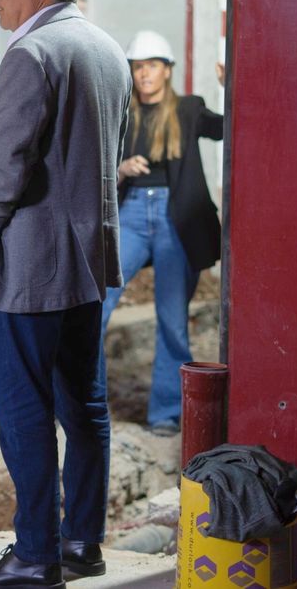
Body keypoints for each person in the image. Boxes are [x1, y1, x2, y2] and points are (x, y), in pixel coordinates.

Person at [0, 0, 130, 587]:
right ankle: (82, 542)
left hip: (30, 267)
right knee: (83, 404)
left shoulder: (31, 55)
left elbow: (6, 169)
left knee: (23, 409)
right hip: (87, 264)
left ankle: (34, 555)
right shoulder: (106, 50)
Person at [100, 29, 224, 437]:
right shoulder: (120, 113)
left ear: (167, 70)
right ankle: (84, 401)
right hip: (131, 212)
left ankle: (166, 414)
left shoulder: (188, 109)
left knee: (172, 320)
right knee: (95, 305)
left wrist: (233, 87)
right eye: (138, 67)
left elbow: (228, 128)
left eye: (152, 66)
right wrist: (120, 169)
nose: (144, 74)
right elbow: (93, 161)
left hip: (176, 217)